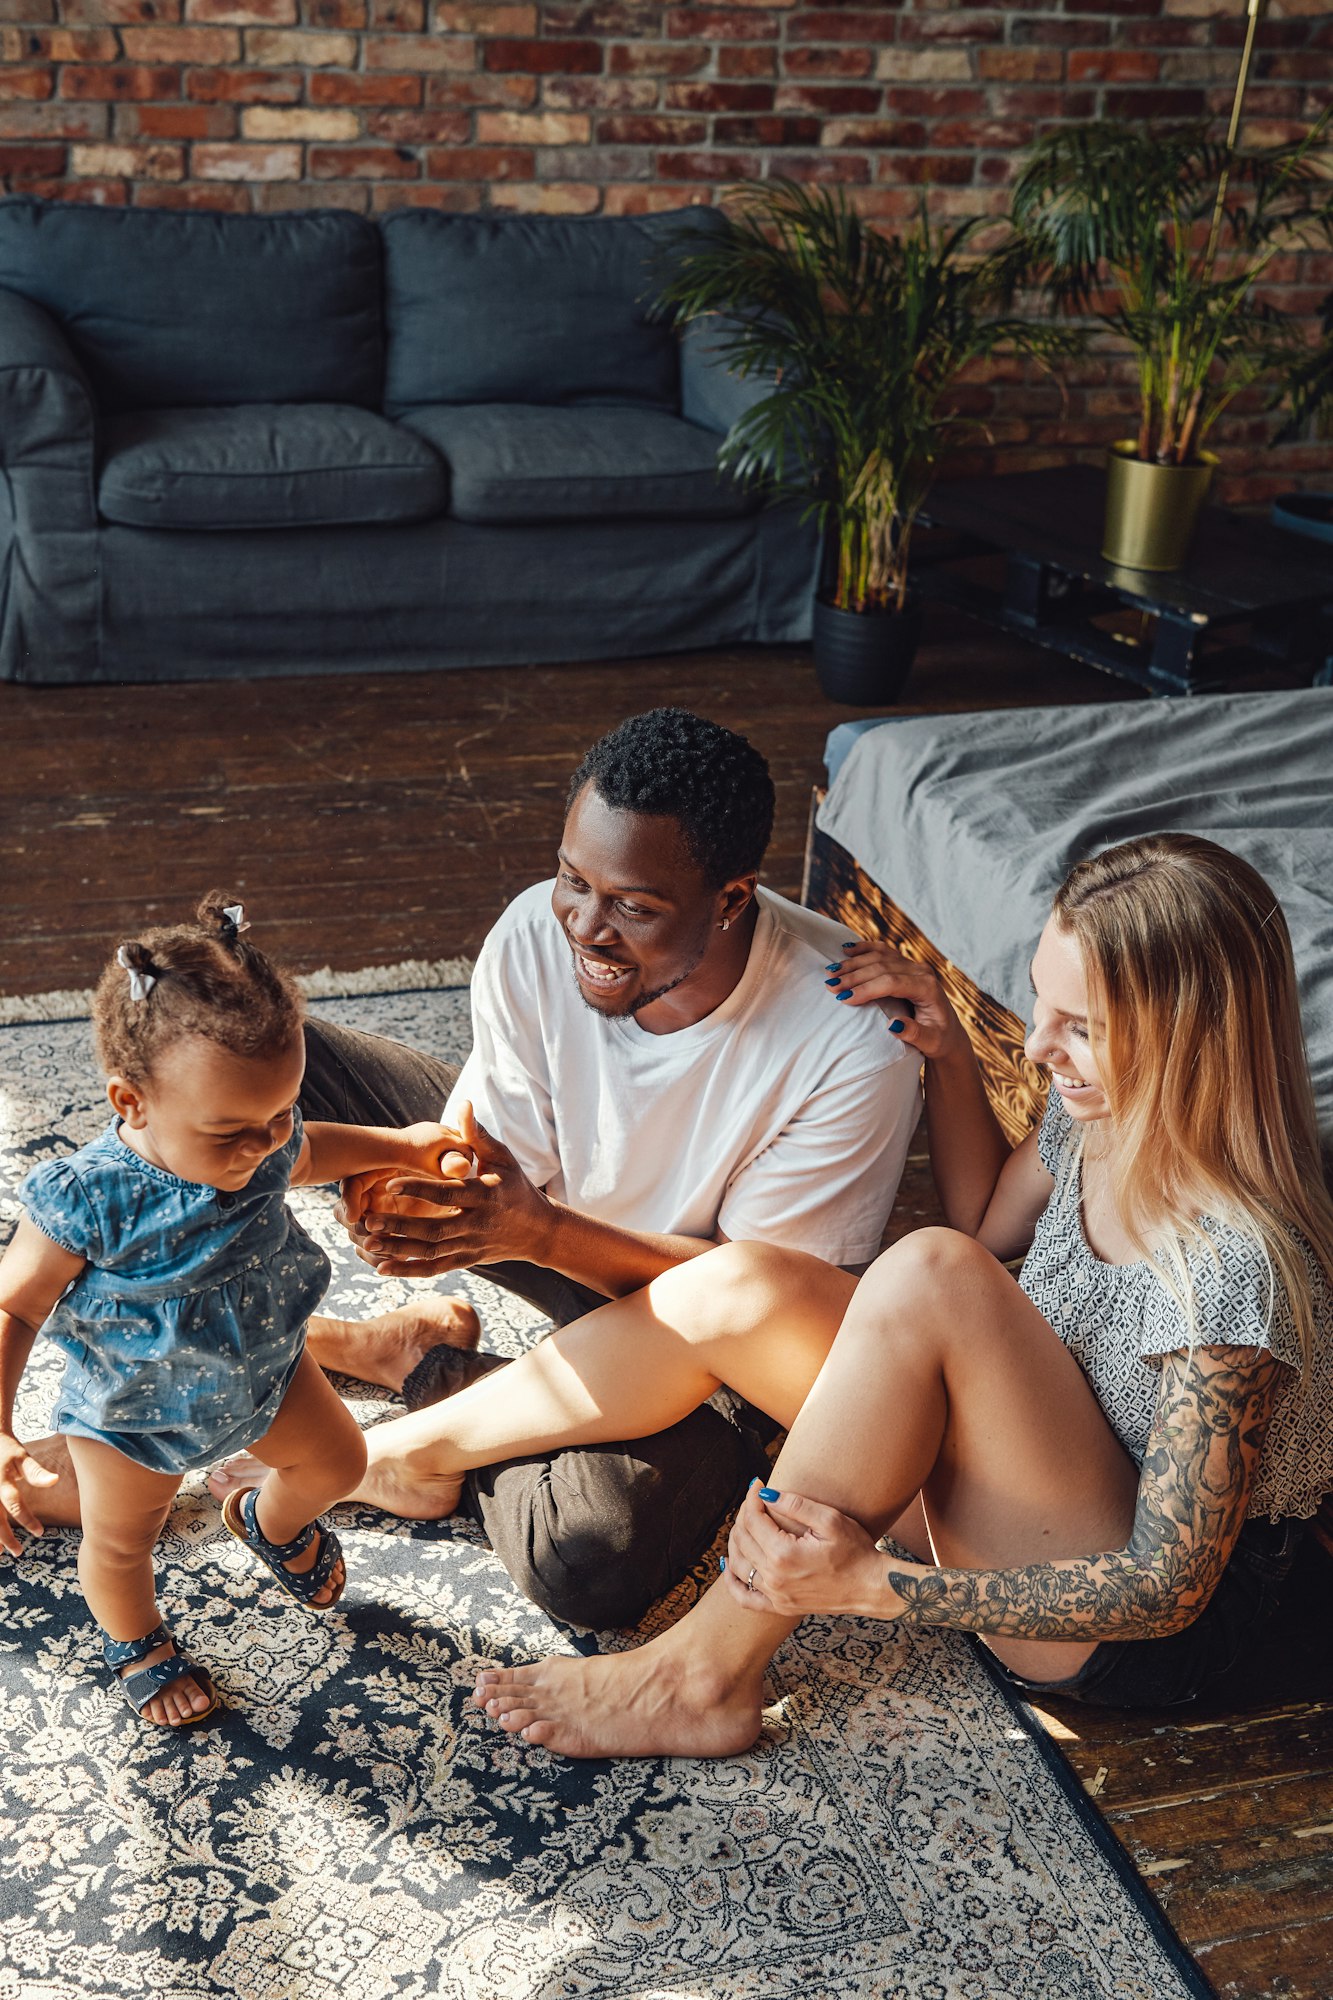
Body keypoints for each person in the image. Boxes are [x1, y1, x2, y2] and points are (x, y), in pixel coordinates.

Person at [327, 830, 1329, 1755]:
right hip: (1020, 1492)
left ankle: (702, 1671)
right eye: (1041, 1005)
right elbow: (982, 1225)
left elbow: (1166, 1587)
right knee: (747, 1282)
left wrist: (882, 1587)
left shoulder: (1231, 1266)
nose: (1036, 1047)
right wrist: (944, 1051)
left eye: (1080, 1027)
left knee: (929, 1272)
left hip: (1125, 1631)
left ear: (1187, 1041)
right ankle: (390, 1456)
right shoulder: (1099, 1117)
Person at [209, 707, 922, 1628]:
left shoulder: (851, 1040)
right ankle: (373, 1348)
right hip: (542, 1218)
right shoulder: (539, 932)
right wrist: (415, 1181)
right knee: (234, 1054)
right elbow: (496, 1149)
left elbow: (744, 1313)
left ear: (733, 899)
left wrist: (534, 1230)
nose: (585, 926)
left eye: (633, 906)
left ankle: (426, 1396)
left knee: (591, 1561)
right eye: (571, 879)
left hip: (691, 1331)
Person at [0, 900, 465, 1729]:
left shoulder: (263, 1133)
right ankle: (137, 1641)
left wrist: (401, 1146)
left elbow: (311, 1149)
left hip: (266, 1370)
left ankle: (263, 1516)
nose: (261, 1147)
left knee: (341, 1465)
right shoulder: (88, 1198)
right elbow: (14, 1308)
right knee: (119, 1549)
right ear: (130, 1101)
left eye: (277, 1113)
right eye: (230, 1132)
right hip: (130, 1417)